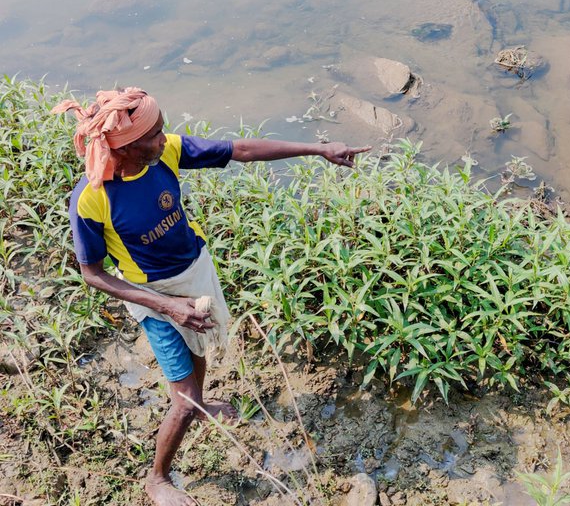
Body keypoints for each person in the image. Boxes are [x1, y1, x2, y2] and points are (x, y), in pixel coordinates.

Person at [53, 87, 369, 506]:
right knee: (181, 400)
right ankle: (158, 478)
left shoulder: (164, 152)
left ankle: (201, 405)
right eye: (154, 134)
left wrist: (318, 148)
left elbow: (241, 150)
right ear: (124, 147)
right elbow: (92, 274)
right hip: (154, 297)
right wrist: (167, 307)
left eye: (162, 128)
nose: (164, 138)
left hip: (195, 274)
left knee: (199, 345)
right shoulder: (91, 199)